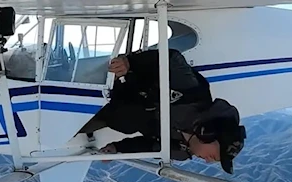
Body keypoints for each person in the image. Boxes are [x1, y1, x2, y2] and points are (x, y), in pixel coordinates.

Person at [79, 48, 246, 174]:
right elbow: (172, 58)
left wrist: (117, 148)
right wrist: (129, 62)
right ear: (209, 134)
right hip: (109, 83)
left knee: (75, 130)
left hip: (108, 115)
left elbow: (147, 146)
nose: (208, 161)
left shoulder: (179, 152)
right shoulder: (193, 95)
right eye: (214, 156)